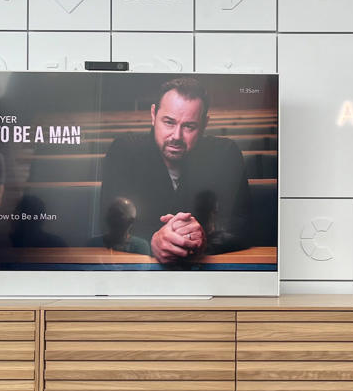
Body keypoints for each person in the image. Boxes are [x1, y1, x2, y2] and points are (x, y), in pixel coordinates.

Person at [97, 77, 251, 267]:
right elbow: (110, 225)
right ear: (153, 115)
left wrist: (202, 239)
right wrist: (152, 242)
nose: (176, 136)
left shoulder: (226, 153)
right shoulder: (124, 151)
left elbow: (242, 226)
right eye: (169, 122)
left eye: (189, 126)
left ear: (204, 123)